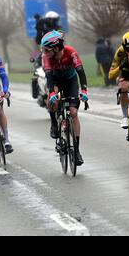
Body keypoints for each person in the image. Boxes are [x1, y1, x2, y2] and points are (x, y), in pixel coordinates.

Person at [41, 31, 89, 166]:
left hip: (70, 81)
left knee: (73, 113)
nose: (44, 52)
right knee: (53, 101)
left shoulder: (71, 52)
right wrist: (51, 94)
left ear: (56, 48)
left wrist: (84, 91)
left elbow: (81, 72)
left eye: (46, 49)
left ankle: (77, 150)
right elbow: (49, 79)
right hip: (55, 81)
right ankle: (54, 124)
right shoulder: (47, 58)